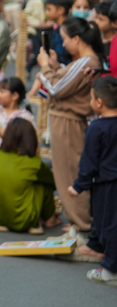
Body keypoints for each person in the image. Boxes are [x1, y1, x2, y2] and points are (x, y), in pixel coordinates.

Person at [36, 17, 105, 233]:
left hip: (68, 122)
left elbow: (56, 88)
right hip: (66, 121)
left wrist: (45, 67)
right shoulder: (85, 62)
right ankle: (79, 222)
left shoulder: (87, 62)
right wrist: (55, 67)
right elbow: (66, 84)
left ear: (76, 38)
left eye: (65, 39)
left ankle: (82, 225)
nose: (63, 44)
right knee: (67, 172)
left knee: (71, 174)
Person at [70, 76, 117, 286]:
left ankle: (111, 270)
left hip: (107, 185)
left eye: (91, 98)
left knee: (108, 226)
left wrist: (79, 185)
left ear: (99, 102)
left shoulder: (97, 128)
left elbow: (89, 161)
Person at [0, 119, 58, 234]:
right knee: (44, 184)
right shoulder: (34, 163)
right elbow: (53, 183)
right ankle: (49, 219)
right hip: (22, 220)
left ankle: (3, 222)